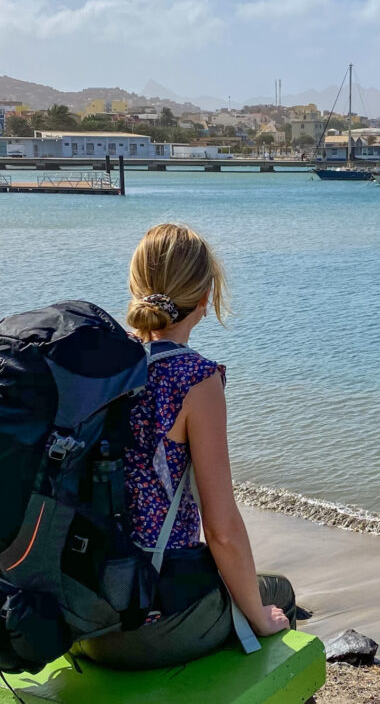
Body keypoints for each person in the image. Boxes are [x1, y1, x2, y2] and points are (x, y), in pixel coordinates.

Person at [73, 223, 295, 670]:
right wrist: (258, 617)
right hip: (145, 623)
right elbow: (222, 531)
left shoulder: (100, 365)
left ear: (135, 288)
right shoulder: (196, 380)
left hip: (76, 616)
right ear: (206, 296)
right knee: (278, 593)